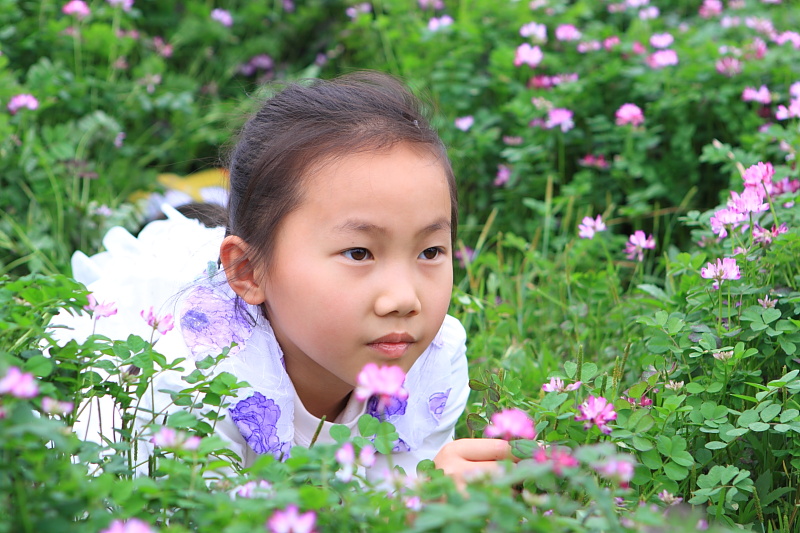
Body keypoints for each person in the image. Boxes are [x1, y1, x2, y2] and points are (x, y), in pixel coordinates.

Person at [60, 71, 512, 485]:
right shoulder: (187, 393)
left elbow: (397, 489)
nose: (403, 298)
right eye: (359, 252)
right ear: (248, 271)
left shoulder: (435, 360)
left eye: (430, 251)